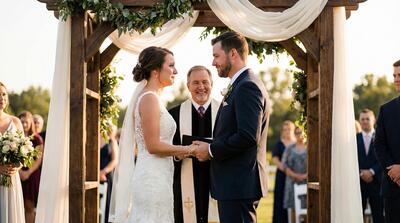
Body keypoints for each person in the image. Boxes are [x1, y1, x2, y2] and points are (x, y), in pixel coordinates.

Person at [109, 46, 196, 223]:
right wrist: (188, 149)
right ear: (155, 71)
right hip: (152, 180)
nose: (176, 70)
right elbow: (153, 145)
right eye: (171, 65)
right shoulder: (149, 98)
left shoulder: (152, 97)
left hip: (159, 176)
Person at [194, 32, 270, 223]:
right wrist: (205, 145)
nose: (213, 62)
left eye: (216, 56)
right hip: (235, 185)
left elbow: (247, 136)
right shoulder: (241, 84)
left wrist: (210, 150)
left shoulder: (247, 87)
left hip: (239, 185)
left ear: (233, 54)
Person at [169, 65, 220, 223]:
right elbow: (166, 151)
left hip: (218, 183)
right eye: (196, 83)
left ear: (212, 84)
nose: (201, 87)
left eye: (205, 82)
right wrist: (178, 155)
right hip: (184, 185)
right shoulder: (174, 115)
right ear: (188, 85)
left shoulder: (225, 112)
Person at [374, 59, 400, 223]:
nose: (396, 79)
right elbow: (379, 145)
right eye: (394, 75)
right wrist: (395, 172)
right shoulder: (386, 110)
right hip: (392, 190)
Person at [0, 82, 25, 223]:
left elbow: (24, 154)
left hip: (11, 180)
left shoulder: (15, 122)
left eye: (4, 94)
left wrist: (17, 166)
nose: (1, 98)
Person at [356, 109, 384, 223]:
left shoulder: (381, 137)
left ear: (374, 120)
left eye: (368, 119)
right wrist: (361, 173)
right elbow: (352, 159)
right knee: (357, 215)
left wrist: (372, 171)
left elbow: (384, 157)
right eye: (362, 119)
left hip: (377, 182)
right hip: (359, 183)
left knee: (378, 217)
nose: (365, 121)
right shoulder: (354, 139)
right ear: (359, 121)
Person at [18, 111, 44, 223]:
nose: (24, 124)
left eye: (26, 122)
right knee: (17, 206)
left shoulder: (37, 139)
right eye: (21, 122)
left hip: (31, 175)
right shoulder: (14, 138)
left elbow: (39, 159)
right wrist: (19, 172)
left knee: (29, 207)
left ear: (31, 123)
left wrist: (27, 173)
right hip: (16, 174)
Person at [272, 121, 296, 223]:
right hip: (282, 176)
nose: (287, 132)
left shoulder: (297, 144)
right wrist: (286, 170)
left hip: (295, 177)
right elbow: (275, 159)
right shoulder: (279, 144)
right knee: (280, 199)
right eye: (285, 129)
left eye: (289, 129)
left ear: (293, 130)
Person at [282, 127, 307, 223]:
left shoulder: (309, 146)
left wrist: (305, 176)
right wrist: (296, 176)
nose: (298, 134)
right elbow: (285, 165)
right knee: (292, 209)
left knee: (307, 208)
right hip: (292, 182)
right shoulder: (289, 148)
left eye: (300, 132)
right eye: (296, 133)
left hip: (306, 182)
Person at [99, 123, 119, 223]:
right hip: (95, 175)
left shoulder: (112, 142)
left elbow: (115, 161)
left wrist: (103, 172)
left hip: (106, 175)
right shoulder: (96, 139)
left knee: (106, 202)